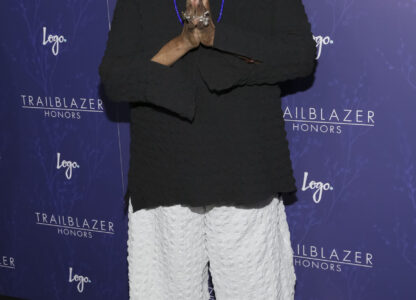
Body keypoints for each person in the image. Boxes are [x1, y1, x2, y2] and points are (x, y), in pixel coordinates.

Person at [98, 0, 317, 299]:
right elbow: (115, 79)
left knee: (255, 291)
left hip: (245, 167)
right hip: (164, 169)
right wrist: (183, 42)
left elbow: (301, 55)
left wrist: (219, 38)